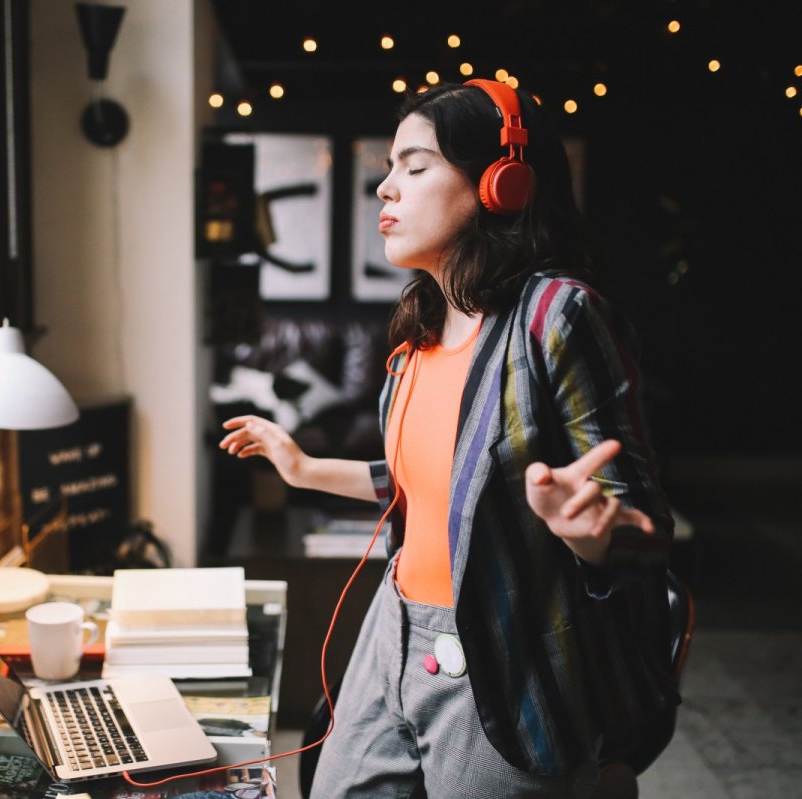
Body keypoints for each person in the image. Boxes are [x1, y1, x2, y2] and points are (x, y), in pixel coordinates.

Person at [219, 80, 679, 797]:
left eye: (415, 165)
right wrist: (303, 466)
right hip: (393, 626)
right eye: (389, 166)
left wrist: (592, 533)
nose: (386, 188)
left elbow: (645, 526)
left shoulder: (559, 315)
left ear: (501, 181)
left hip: (505, 647)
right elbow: (437, 483)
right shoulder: (420, 327)